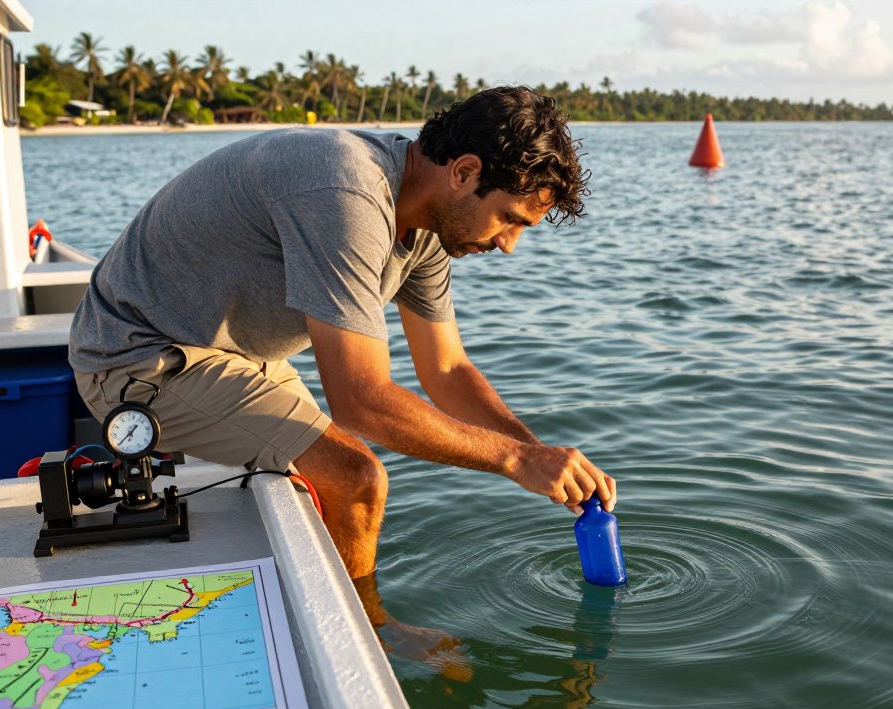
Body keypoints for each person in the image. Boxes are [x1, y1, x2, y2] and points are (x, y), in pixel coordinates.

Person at [69, 86, 617, 580]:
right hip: (138, 357)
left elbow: (447, 371)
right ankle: (370, 634)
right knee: (355, 478)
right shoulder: (348, 191)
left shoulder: (425, 223)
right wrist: (516, 463)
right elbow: (360, 401)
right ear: (464, 171)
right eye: (509, 219)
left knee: (328, 480)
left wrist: (538, 453)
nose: (508, 245)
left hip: (231, 356)